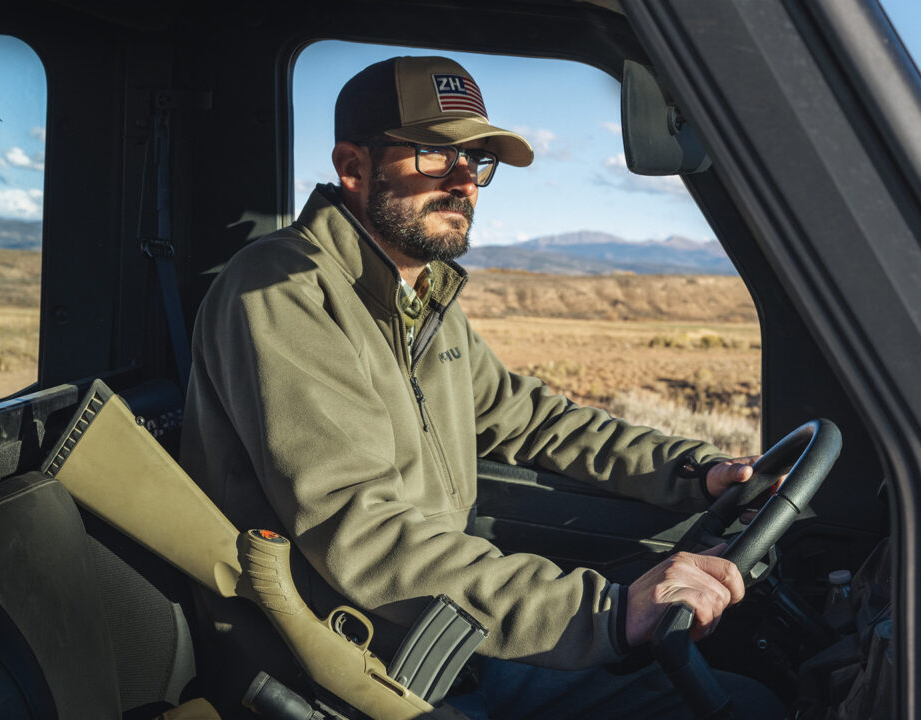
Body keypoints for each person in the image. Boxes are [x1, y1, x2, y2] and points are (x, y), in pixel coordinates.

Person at [180, 56, 782, 718]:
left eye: (476, 160)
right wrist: (607, 611)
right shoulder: (284, 293)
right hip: (348, 669)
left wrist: (697, 472)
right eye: (436, 154)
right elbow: (363, 533)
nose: (465, 180)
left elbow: (533, 420)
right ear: (353, 167)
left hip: (440, 644)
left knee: (745, 701)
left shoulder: (419, 293)